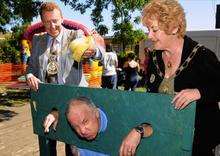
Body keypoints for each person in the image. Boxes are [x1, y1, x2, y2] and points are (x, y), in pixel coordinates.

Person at [119, 0, 220, 156]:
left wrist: (199, 92)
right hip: (164, 140)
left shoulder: (202, 56)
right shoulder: (154, 59)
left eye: (154, 30)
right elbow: (152, 104)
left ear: (174, 28)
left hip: (197, 145)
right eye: (148, 29)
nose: (149, 36)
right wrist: (140, 129)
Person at [26, 2, 103, 156]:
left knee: (74, 149)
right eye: (47, 22)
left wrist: (94, 51)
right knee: (47, 146)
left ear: (62, 18)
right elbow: (31, 67)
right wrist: (29, 75)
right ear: (42, 21)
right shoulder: (37, 40)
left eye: (55, 20)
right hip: (47, 100)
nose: (52, 25)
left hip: (73, 101)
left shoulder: (76, 36)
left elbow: (100, 55)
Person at [44, 96, 108, 156]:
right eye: (75, 127)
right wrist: (55, 112)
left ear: (96, 113)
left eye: (85, 121)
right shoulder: (81, 143)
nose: (82, 131)